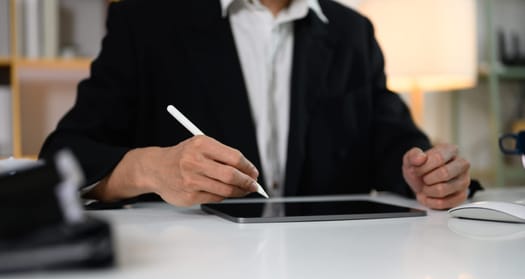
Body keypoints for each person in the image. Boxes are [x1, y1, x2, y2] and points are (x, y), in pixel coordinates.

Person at [39, 0, 471, 210]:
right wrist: (150, 168)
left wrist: (427, 172)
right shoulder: (146, 20)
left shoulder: (352, 31)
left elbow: (393, 141)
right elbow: (63, 154)